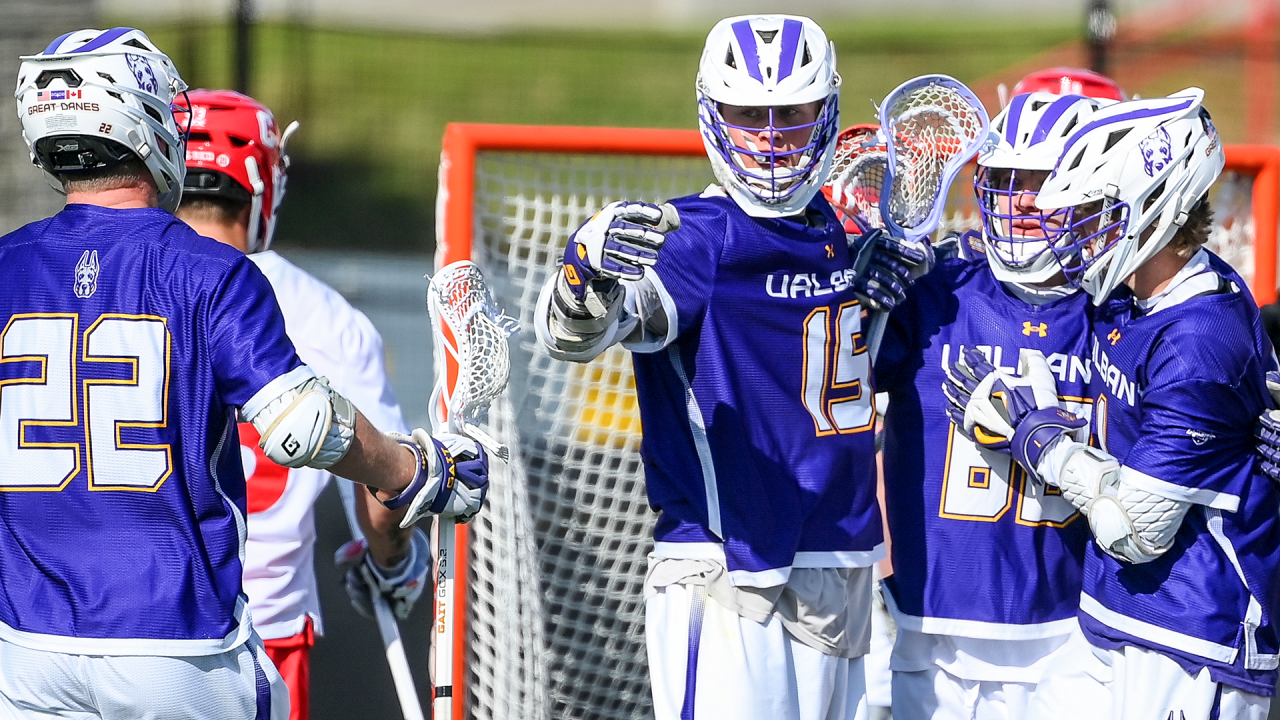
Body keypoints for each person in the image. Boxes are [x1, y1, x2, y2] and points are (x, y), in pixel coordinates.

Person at [0, 28, 486, 719]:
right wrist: (410, 468)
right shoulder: (208, 271)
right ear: (142, 123)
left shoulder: (7, 265)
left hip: (23, 649)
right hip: (173, 644)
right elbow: (302, 426)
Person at [534, 15, 921, 720]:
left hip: (839, 560)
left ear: (826, 113)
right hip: (728, 571)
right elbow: (575, 337)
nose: (771, 134)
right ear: (714, 115)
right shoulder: (695, 238)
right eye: (749, 115)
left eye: (791, 114)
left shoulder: (839, 234)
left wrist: (889, 298)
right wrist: (582, 277)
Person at [947, 90, 1279, 719]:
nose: (1073, 232)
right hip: (1112, 613)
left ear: (1156, 214)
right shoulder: (1130, 294)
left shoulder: (1199, 340)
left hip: (1193, 634)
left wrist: (1037, 441)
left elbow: (1133, 530)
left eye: (1098, 213)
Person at [173, 89, 429, 720]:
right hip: (264, 636)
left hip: (117, 628)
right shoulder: (327, 320)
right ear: (262, 188)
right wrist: (393, 562)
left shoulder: (116, 281)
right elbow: (382, 505)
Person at [872, 91, 1106, 720]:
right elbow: (822, 385)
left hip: (1073, 629)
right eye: (1009, 181)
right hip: (935, 619)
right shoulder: (934, 291)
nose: (1026, 201)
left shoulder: (1118, 310)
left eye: (1045, 182)